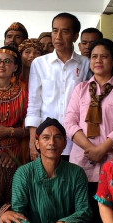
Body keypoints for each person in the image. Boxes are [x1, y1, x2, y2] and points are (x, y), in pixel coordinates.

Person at [64, 38, 113, 223]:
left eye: (104, 56)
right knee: (82, 217)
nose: (98, 60)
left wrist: (102, 149)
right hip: (81, 162)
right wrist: (90, 149)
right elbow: (70, 121)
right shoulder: (81, 89)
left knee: (110, 217)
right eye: (94, 56)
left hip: (111, 162)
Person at [26, 13, 89, 160]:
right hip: (47, 140)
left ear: (75, 36)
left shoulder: (85, 63)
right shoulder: (39, 63)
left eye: (64, 31)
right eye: (55, 31)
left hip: (76, 140)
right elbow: (34, 104)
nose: (58, 36)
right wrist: (33, 141)